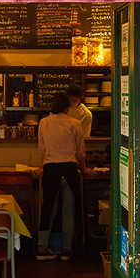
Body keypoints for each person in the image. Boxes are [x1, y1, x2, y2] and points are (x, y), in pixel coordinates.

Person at [35, 92, 88, 261]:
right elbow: (81, 152)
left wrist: (44, 165)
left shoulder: (43, 123)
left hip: (51, 170)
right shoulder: (75, 123)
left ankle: (42, 249)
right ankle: (66, 250)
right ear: (67, 108)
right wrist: (84, 169)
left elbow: (42, 150)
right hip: (70, 171)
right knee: (68, 214)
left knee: (48, 210)